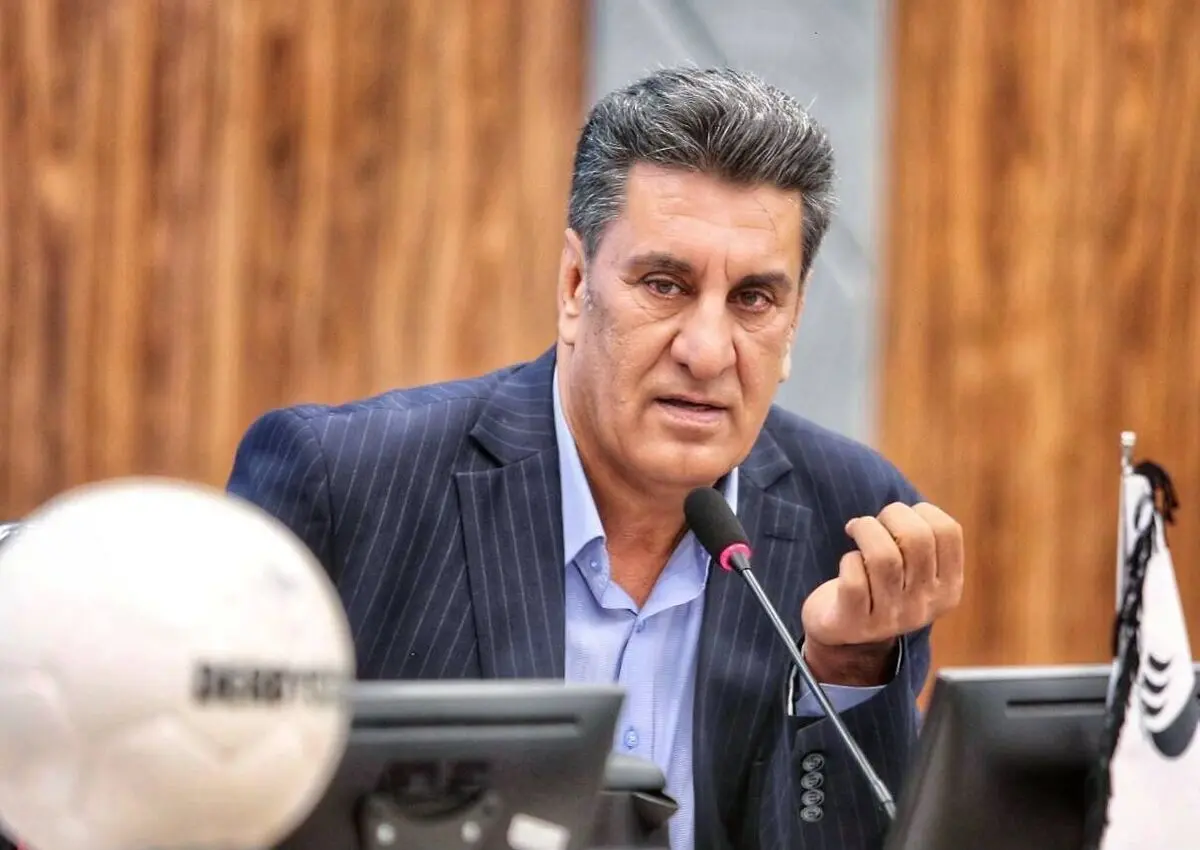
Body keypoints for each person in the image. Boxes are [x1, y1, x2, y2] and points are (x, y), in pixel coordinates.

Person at [227, 66, 964, 850]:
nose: (708, 351)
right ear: (576, 286)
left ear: (793, 321)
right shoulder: (345, 484)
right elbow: (208, 798)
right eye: (665, 285)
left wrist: (847, 668)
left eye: (753, 299)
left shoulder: (852, 521)